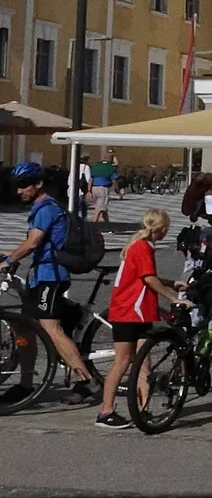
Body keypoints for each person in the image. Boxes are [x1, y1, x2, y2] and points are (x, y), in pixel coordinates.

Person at [1, 161, 95, 401]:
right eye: (17, 186)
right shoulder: (40, 207)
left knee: (51, 329)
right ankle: (25, 383)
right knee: (25, 327)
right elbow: (34, 245)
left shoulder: (47, 208)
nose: (19, 191)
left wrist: (9, 260)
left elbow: (33, 243)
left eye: (24, 186)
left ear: (38, 184)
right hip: (40, 277)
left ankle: (84, 382)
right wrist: (7, 255)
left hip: (51, 278)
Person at [96, 208, 182, 428]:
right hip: (129, 311)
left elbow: (145, 276)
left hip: (137, 311)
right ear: (162, 229)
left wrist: (171, 283)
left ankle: (142, 409)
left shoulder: (138, 245)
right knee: (122, 361)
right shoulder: (142, 247)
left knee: (144, 362)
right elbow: (149, 280)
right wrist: (172, 297)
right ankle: (106, 411)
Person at [87, 157, 116, 224]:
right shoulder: (110, 167)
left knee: (104, 208)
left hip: (94, 188)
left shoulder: (96, 166)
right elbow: (114, 180)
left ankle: (108, 226)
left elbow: (90, 179)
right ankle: (93, 227)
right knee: (98, 210)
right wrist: (117, 190)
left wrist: (89, 191)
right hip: (103, 189)